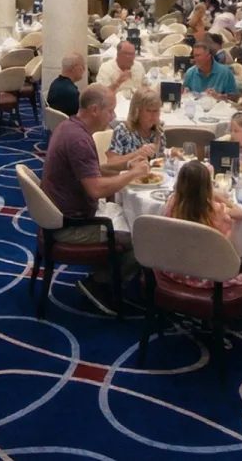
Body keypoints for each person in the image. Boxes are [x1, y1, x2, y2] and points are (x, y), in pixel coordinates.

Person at [41, 84, 149, 313]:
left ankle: (104, 276)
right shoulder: (79, 140)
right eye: (110, 111)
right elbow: (96, 189)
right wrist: (131, 174)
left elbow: (94, 170)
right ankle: (100, 283)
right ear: (94, 110)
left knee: (134, 219)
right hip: (72, 224)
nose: (114, 117)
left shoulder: (69, 127)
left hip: (60, 212)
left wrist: (129, 163)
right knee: (145, 237)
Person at [162, 160, 242, 289]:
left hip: (177, 269)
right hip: (210, 276)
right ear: (207, 187)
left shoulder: (173, 203)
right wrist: (220, 197)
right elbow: (241, 214)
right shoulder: (216, 210)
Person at [105, 87, 166, 168]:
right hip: (126, 178)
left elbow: (159, 163)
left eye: (156, 111)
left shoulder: (159, 133)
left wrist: (169, 155)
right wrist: (137, 154)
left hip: (153, 179)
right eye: (149, 111)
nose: (154, 116)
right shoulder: (123, 131)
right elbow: (110, 163)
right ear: (137, 111)